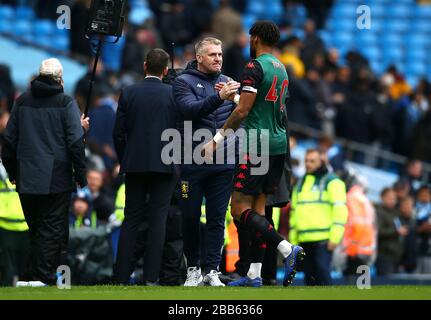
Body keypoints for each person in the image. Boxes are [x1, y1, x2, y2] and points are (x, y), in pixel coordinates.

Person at [202, 21, 304, 287]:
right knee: (259, 208)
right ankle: (254, 275)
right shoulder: (282, 69)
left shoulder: (254, 67)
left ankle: (285, 248)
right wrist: (234, 97)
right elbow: (263, 107)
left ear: (255, 38)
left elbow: (244, 112)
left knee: (238, 209)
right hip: (278, 145)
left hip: (256, 144)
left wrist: (216, 140)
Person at [1, 58, 88, 286]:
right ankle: (41, 277)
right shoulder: (66, 102)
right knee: (51, 229)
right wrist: (81, 176)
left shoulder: (21, 102)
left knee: (36, 228)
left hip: (26, 176)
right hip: (56, 176)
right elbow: (76, 143)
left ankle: (29, 276)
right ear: (60, 78)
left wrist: (13, 172)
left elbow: (8, 141)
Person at [172, 37, 240, 287]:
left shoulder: (228, 82)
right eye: (212, 54)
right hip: (192, 163)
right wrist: (221, 97)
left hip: (223, 163)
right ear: (199, 57)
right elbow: (191, 111)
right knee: (189, 216)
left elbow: (241, 116)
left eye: (220, 54)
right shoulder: (182, 82)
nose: (218, 59)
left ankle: (211, 270)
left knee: (216, 218)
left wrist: (237, 100)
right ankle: (193, 269)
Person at [113, 49, 179, 285]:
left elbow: (118, 133)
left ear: (144, 66)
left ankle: (121, 276)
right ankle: (151, 278)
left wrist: (126, 158)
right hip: (165, 164)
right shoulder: (173, 94)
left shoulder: (129, 92)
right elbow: (179, 132)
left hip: (135, 164)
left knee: (131, 219)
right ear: (166, 70)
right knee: (158, 220)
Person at [288, 149, 348, 285]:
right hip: (304, 240)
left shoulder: (333, 181)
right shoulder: (301, 183)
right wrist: (293, 240)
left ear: (321, 161)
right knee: (309, 278)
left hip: (324, 240)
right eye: (306, 161)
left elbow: (340, 210)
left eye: (312, 161)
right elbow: (295, 212)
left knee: (322, 274)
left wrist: (335, 236)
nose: (308, 164)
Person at [375, 188, 404, 275]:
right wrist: (396, 231)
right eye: (389, 198)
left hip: (395, 255)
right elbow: (378, 231)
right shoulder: (378, 212)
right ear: (382, 197)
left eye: (394, 198)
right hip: (384, 254)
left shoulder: (395, 213)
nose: (392, 201)